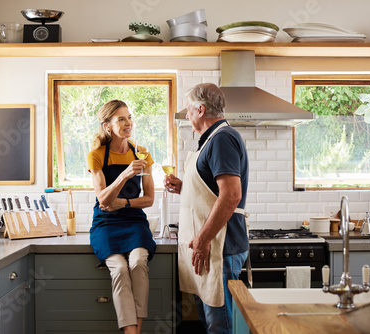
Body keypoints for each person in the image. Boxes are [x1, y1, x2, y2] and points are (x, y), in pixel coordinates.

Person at [164, 83, 249, 334]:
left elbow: (231, 195)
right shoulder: (210, 141)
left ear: (200, 110)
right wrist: (184, 187)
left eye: (189, 110)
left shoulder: (222, 138)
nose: (187, 115)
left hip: (220, 247)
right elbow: (212, 191)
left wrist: (202, 239)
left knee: (221, 326)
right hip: (210, 248)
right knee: (210, 322)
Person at [87, 99, 156, 334]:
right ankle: (131, 332)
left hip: (135, 222)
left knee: (138, 263)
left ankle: (133, 331)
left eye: (129, 117)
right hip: (105, 223)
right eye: (121, 119)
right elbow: (103, 200)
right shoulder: (96, 155)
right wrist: (125, 174)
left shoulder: (142, 153)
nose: (129, 123)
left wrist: (123, 203)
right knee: (118, 268)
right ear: (108, 126)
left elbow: (149, 199)